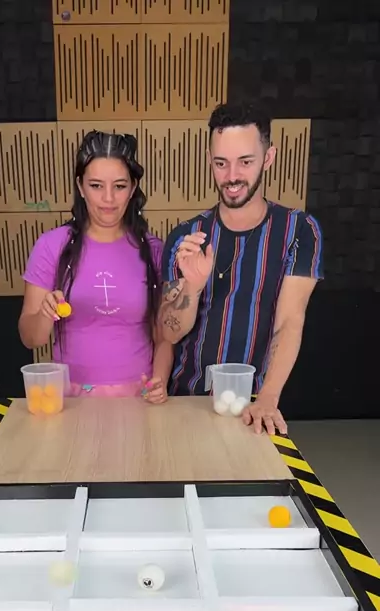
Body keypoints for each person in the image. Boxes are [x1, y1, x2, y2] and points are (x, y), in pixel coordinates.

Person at [159, 101, 323, 434]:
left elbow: (289, 322)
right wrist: (192, 286)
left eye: (245, 162)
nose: (232, 176)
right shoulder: (186, 236)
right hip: (185, 402)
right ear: (209, 160)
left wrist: (268, 398)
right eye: (221, 163)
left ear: (268, 157)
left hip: (253, 405)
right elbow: (169, 332)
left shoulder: (298, 230)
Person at [19, 131, 172, 403]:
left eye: (120, 186)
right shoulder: (51, 246)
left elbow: (163, 336)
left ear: (133, 188)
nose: (108, 198)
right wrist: (44, 315)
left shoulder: (154, 250)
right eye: (96, 185)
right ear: (80, 187)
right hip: (71, 399)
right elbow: (31, 338)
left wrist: (159, 380)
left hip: (139, 396)